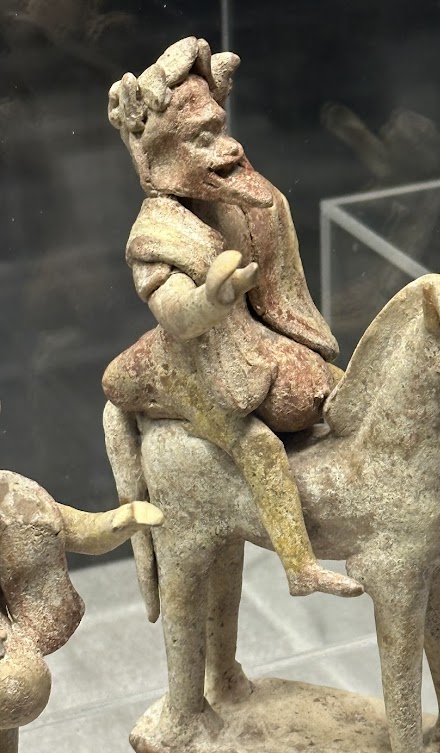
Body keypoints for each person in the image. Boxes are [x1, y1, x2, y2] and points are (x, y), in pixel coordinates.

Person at [103, 37, 361, 599]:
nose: (230, 146)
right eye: (203, 138)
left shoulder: (245, 204)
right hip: (188, 359)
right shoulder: (155, 235)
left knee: (352, 392)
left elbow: (276, 289)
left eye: (221, 128)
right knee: (259, 445)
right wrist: (211, 301)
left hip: (245, 341)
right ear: (162, 157)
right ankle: (300, 567)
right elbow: (176, 315)